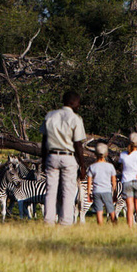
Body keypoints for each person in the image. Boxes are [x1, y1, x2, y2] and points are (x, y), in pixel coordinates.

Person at [41, 91, 87, 226]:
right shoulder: (75, 119)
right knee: (68, 190)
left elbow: (44, 141)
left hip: (51, 156)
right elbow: (78, 144)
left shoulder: (50, 115)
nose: (79, 106)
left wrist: (44, 160)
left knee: (51, 190)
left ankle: (48, 221)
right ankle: (66, 221)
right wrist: (82, 164)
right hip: (68, 157)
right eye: (78, 103)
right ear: (73, 103)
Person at [86, 143, 117, 225]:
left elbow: (89, 182)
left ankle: (100, 227)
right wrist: (115, 194)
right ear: (106, 154)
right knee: (111, 210)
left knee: (99, 211)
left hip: (96, 191)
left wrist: (89, 193)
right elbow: (114, 182)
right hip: (107, 191)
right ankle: (115, 225)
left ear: (95, 154)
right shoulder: (110, 166)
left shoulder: (92, 167)